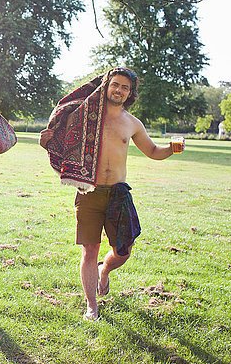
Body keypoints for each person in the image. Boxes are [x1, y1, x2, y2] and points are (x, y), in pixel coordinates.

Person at [40, 67, 184, 321]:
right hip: (89, 192)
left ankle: (104, 271)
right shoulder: (86, 116)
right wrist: (50, 140)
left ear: (130, 93)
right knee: (89, 250)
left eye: (125, 87)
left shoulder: (132, 123)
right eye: (115, 84)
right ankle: (91, 306)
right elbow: (61, 126)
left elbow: (152, 151)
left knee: (123, 250)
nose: (119, 90)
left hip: (118, 193)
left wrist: (171, 149)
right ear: (106, 85)